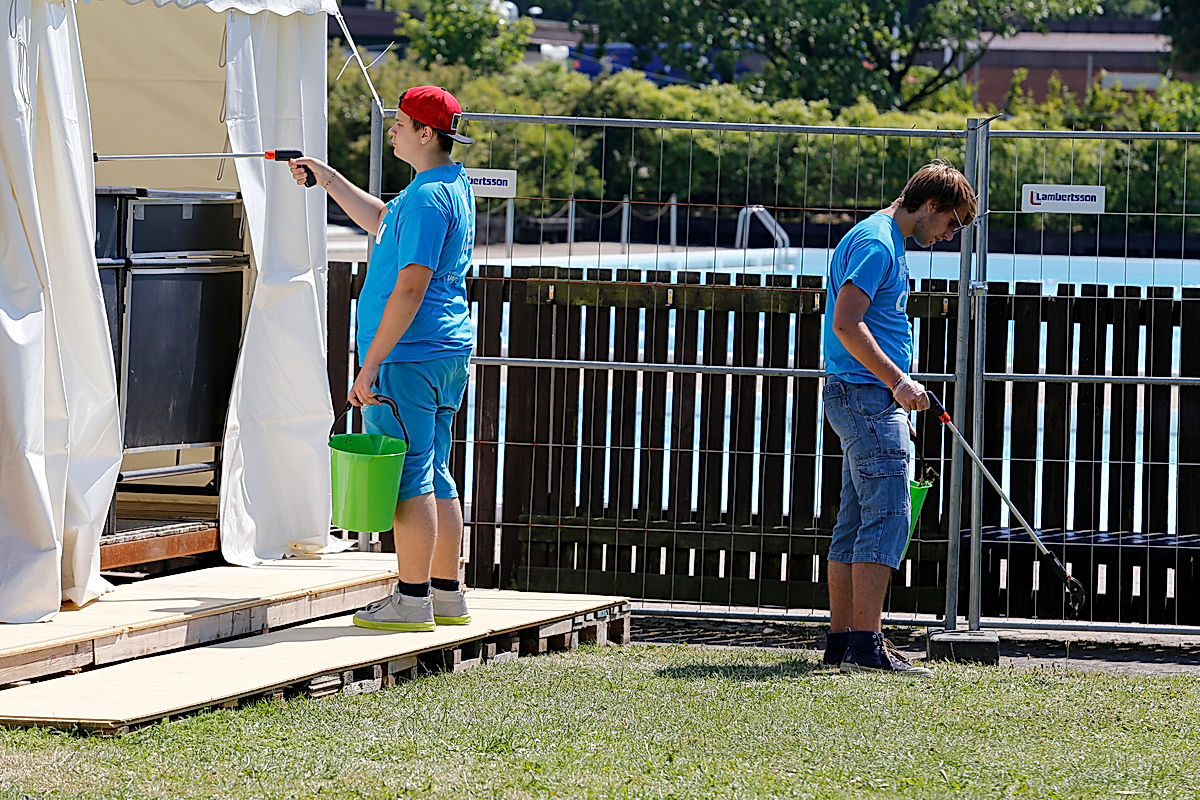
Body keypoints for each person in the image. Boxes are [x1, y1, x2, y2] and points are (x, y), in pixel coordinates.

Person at [291, 86, 476, 632]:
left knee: (408, 475)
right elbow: (381, 221)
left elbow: (410, 287)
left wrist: (370, 364)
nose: (391, 130)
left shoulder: (425, 198)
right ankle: (446, 596)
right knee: (435, 468)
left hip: (409, 356)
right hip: (444, 351)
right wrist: (327, 178)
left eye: (400, 123)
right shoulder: (448, 185)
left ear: (425, 132)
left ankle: (412, 600)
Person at [821, 160, 976, 674]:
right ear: (931, 205)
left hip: (861, 396)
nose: (950, 234)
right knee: (889, 515)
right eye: (951, 223)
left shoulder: (880, 237)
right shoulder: (878, 243)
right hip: (868, 396)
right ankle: (866, 645)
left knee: (854, 521)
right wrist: (898, 382)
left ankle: (843, 644)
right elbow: (847, 323)